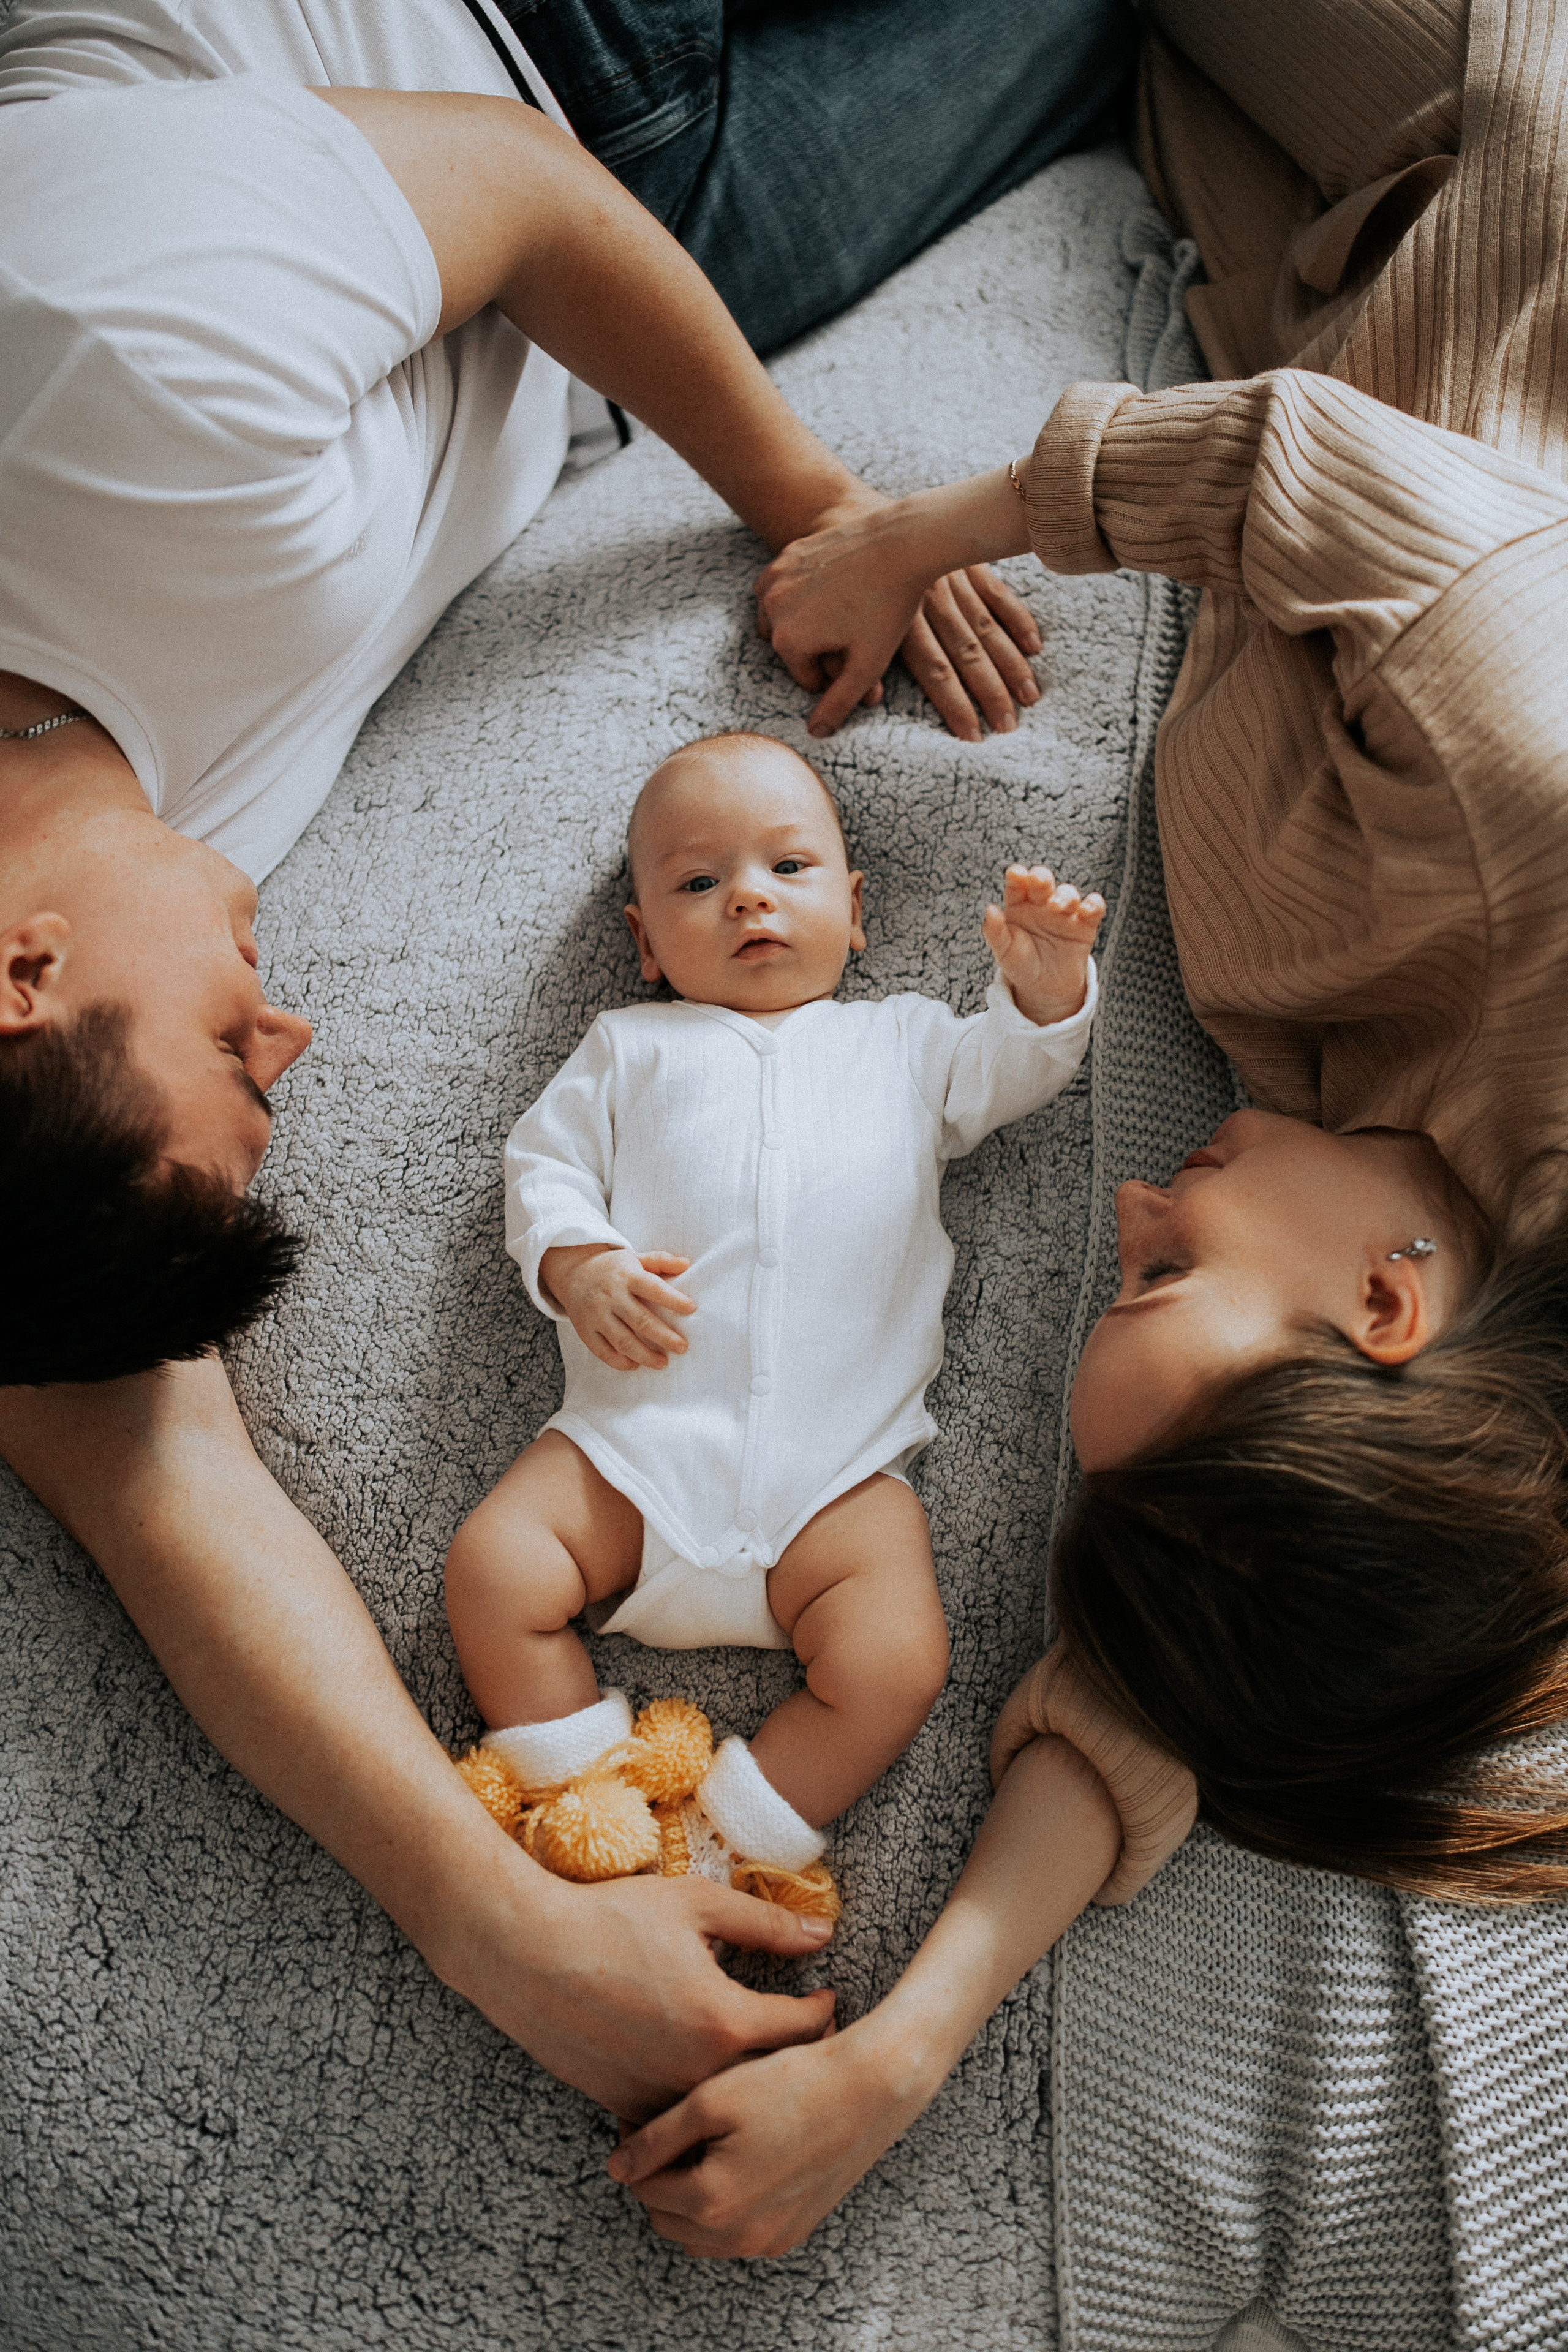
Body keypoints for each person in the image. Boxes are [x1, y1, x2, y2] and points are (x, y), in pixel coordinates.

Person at [0, 0, 1135, 2119]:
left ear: (19, 972)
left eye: (228, 1051)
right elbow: (121, 1446)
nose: (298, 1022)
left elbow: (522, 193)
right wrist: (498, 1917)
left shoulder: (102, 361)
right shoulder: (71, 1033)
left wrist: (823, 508)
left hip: (546, 81)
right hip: (562, 371)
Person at [597, 0, 1568, 2256]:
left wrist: (893, 2057)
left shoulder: (1398, 1453)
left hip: (1276, 242)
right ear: (1389, 1308)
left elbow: (1166, 1676)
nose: (1132, 1198)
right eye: (1168, 1272)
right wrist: (901, 530)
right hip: (1483, 142)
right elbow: (1331, 477)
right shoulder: (1535, 875)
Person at [445, 732, 1103, 1898]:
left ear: (856, 913)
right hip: (636, 1453)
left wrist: (1041, 988)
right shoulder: (628, 1047)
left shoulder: (903, 1042)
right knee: (496, 1568)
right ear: (644, 944)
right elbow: (539, 1173)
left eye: (787, 869)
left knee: (898, 1662)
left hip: (833, 1482)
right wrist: (583, 1265)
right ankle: (584, 1791)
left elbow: (1012, 1071)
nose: (747, 894)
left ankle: (722, 1843)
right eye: (699, 884)